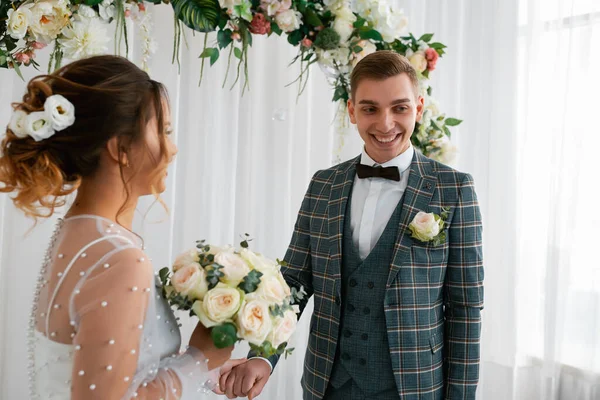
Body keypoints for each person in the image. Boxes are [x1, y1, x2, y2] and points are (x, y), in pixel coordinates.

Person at [218, 51, 484, 400]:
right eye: (370, 108)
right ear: (351, 110)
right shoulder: (324, 184)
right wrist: (262, 358)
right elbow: (293, 283)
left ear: (419, 108)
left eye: (400, 108)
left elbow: (464, 308)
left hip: (414, 388)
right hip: (327, 384)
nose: (386, 123)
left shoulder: (454, 189)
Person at [0, 55, 243, 399]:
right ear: (121, 149)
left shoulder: (77, 232)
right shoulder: (119, 260)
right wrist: (198, 359)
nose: (172, 150)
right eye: (164, 131)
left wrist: (207, 372)